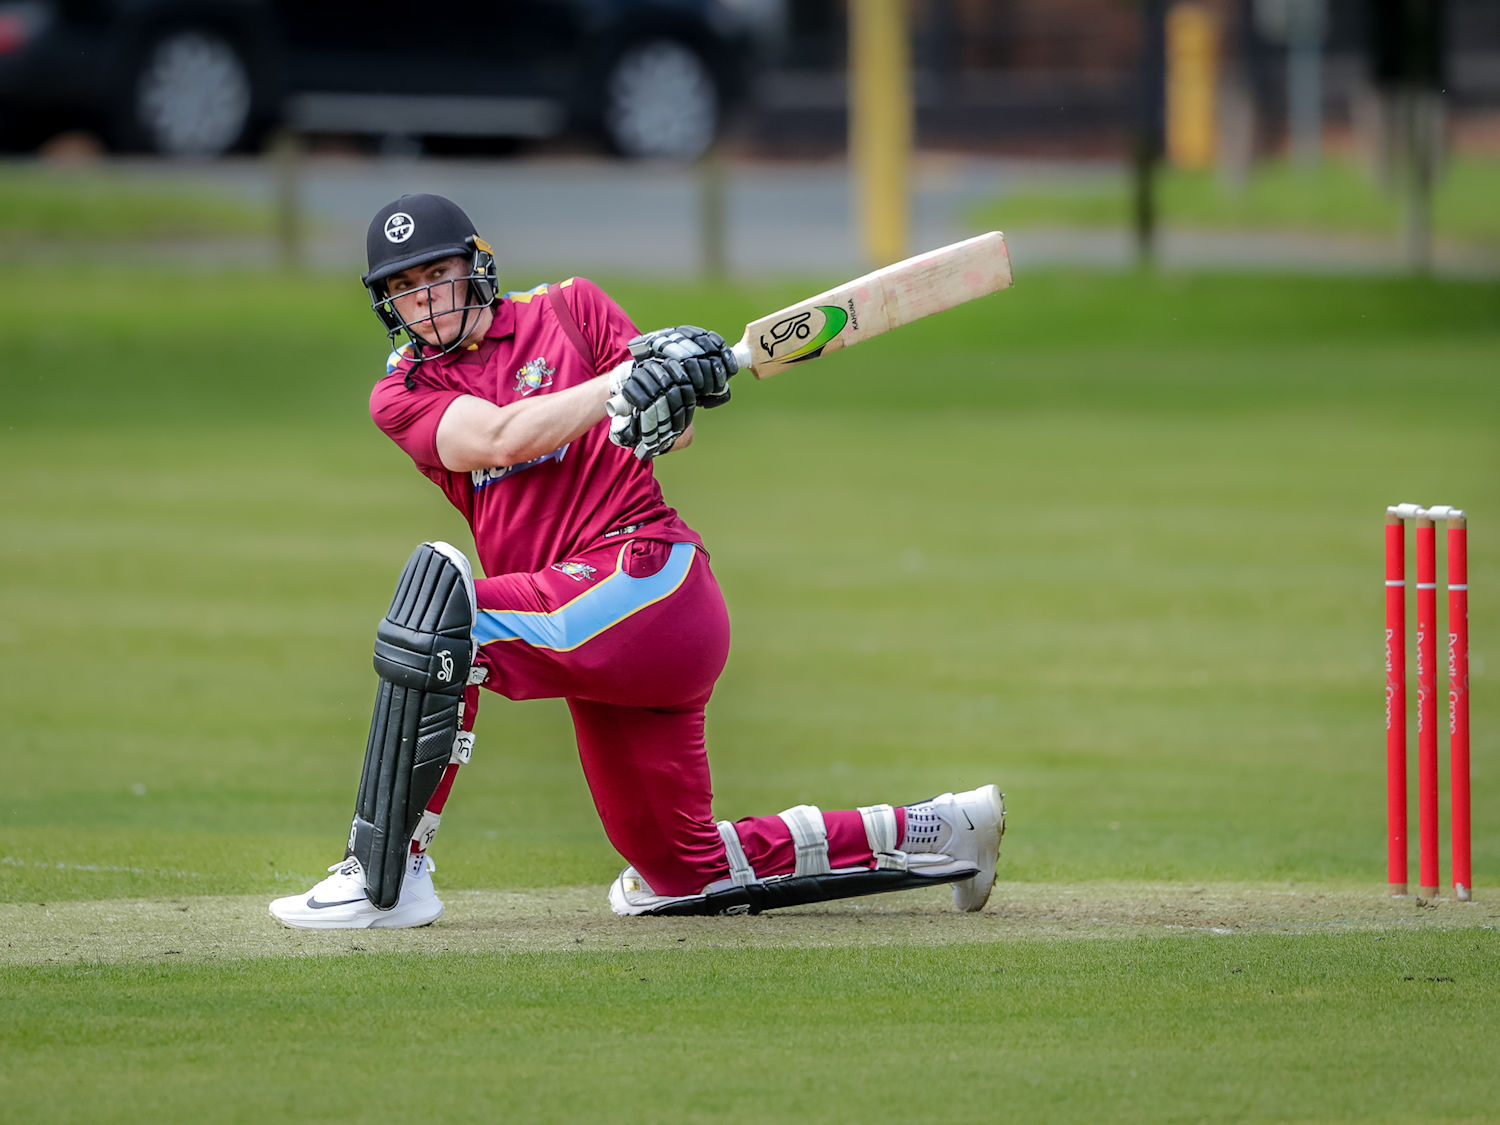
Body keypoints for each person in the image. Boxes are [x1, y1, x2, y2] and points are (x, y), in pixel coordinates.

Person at [270, 193, 1004, 929]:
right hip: (586, 624)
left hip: (650, 583)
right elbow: (495, 437)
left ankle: (386, 875)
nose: (423, 298)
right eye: (402, 287)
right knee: (681, 869)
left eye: (436, 273)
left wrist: (677, 381)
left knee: (446, 625)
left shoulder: (570, 308)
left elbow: (670, 435)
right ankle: (943, 828)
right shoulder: (403, 391)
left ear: (476, 266)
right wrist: (615, 385)